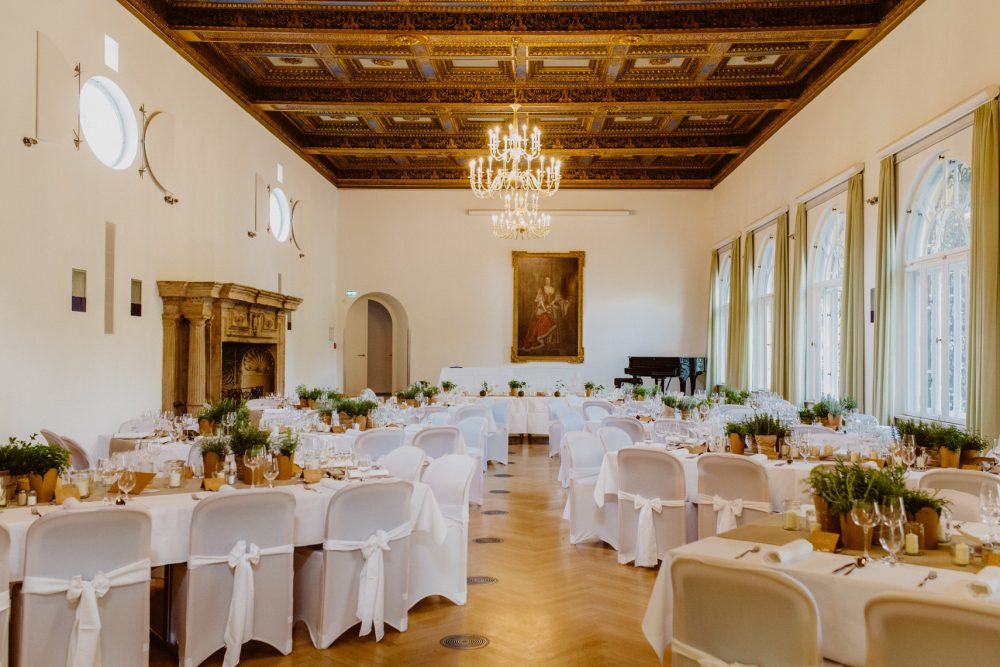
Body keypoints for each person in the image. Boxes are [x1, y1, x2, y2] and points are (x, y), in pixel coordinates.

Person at [521, 276, 569, 352]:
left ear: (550, 281)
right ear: (544, 281)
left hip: (551, 306)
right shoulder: (541, 289)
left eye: (549, 280)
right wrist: (546, 309)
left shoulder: (554, 289)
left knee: (556, 310)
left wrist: (561, 301)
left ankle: (554, 341)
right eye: (546, 280)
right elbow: (540, 302)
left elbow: (557, 298)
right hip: (544, 308)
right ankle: (543, 340)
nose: (548, 281)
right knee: (545, 317)